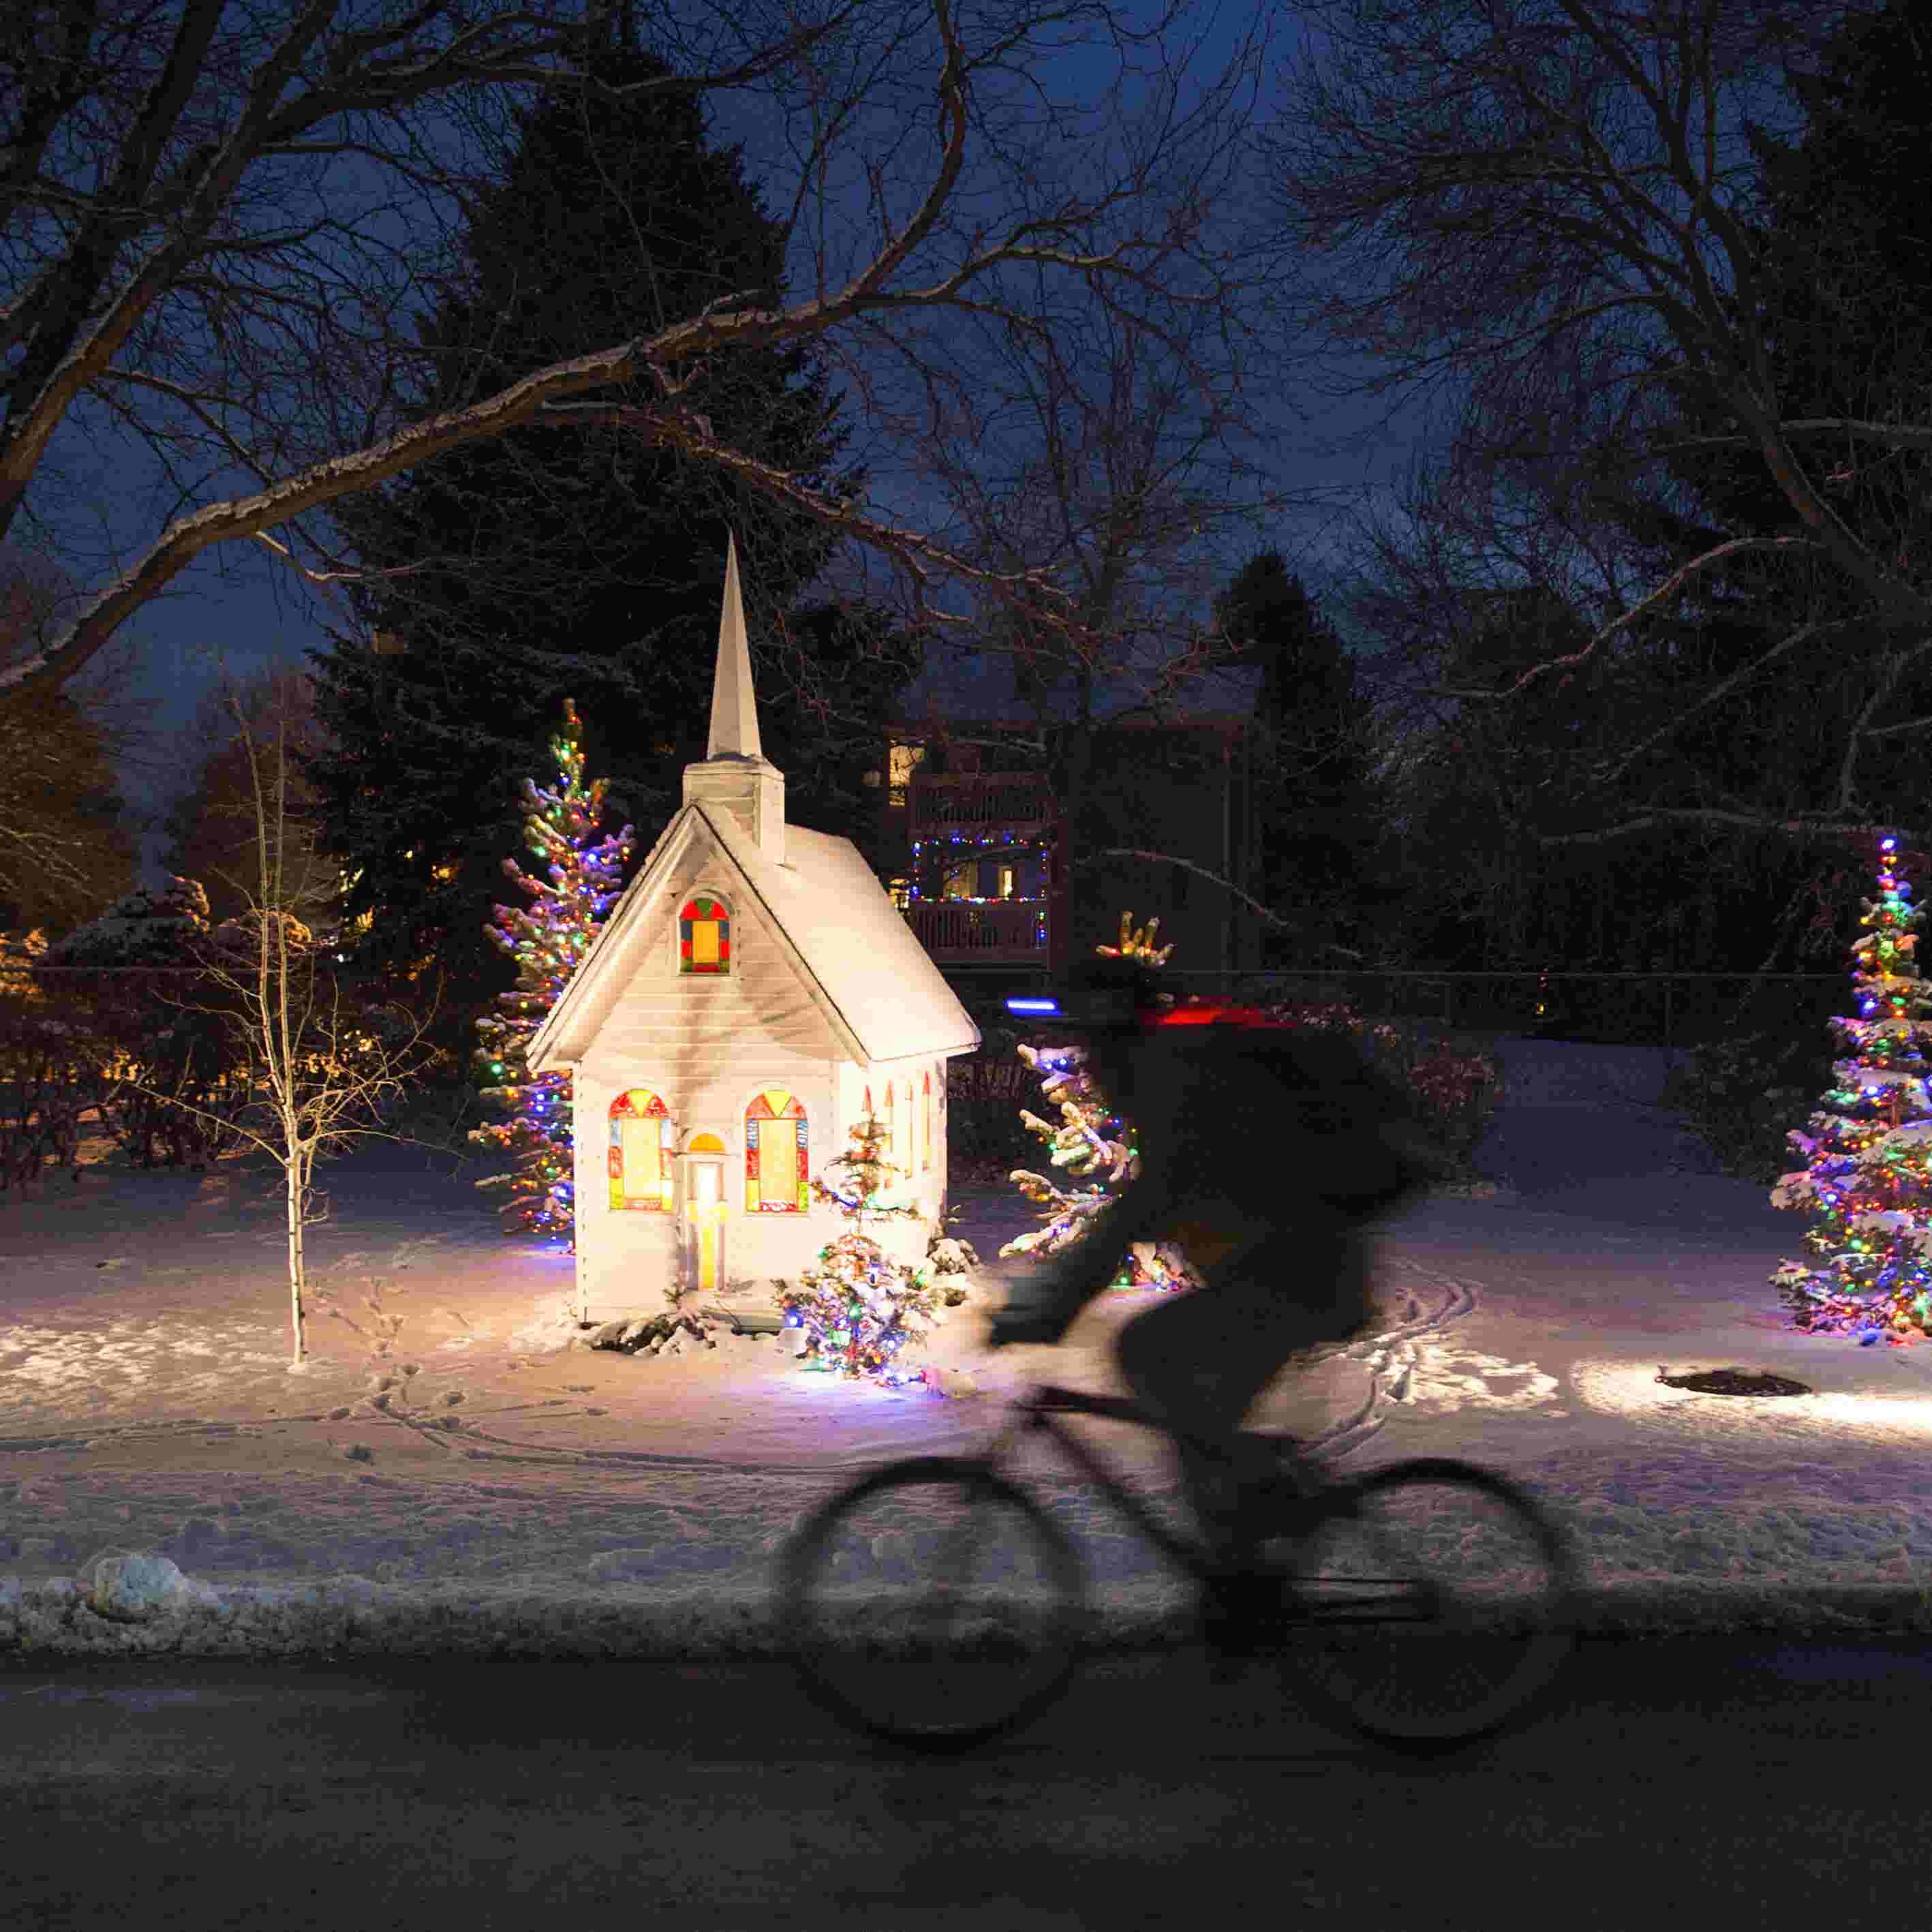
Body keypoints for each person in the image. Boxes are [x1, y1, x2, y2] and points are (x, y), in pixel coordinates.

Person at [984, 954, 1437, 1654]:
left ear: (1111, 1036)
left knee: (1153, 1358)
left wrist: (1044, 1310)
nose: (1081, 1065)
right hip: (1282, 1268)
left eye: (1084, 1044)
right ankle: (1240, 1565)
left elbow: (1143, 1207)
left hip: (1304, 1272)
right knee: (1182, 1397)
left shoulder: (1174, 1083)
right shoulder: (1170, 1073)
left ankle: (1253, 1557)